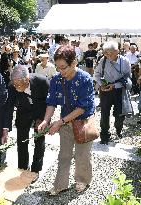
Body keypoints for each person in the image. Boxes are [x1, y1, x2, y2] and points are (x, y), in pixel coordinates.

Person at [38, 45, 95, 195]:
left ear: (74, 62)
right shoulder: (56, 79)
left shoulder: (85, 79)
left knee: (82, 155)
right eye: (58, 68)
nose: (60, 71)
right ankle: (60, 184)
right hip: (64, 121)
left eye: (63, 67)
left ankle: (82, 180)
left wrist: (59, 122)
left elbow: (82, 108)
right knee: (64, 155)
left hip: (83, 122)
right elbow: (51, 102)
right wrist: (46, 120)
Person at [5, 65, 49, 177]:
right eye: (14, 84)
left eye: (19, 84)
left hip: (40, 113)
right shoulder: (12, 86)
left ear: (27, 79)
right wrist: (5, 128)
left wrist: (44, 119)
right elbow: (8, 107)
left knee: (39, 139)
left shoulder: (42, 81)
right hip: (23, 112)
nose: (16, 87)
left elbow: (50, 102)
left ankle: (36, 170)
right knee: (21, 141)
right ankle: (23, 167)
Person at [94, 41, 132, 145]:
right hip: (105, 90)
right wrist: (102, 84)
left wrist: (115, 85)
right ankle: (105, 135)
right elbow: (96, 74)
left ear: (117, 51)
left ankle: (118, 129)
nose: (106, 55)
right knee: (104, 113)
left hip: (119, 90)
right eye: (105, 52)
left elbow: (127, 78)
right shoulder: (103, 60)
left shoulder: (125, 61)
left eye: (109, 52)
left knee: (119, 114)